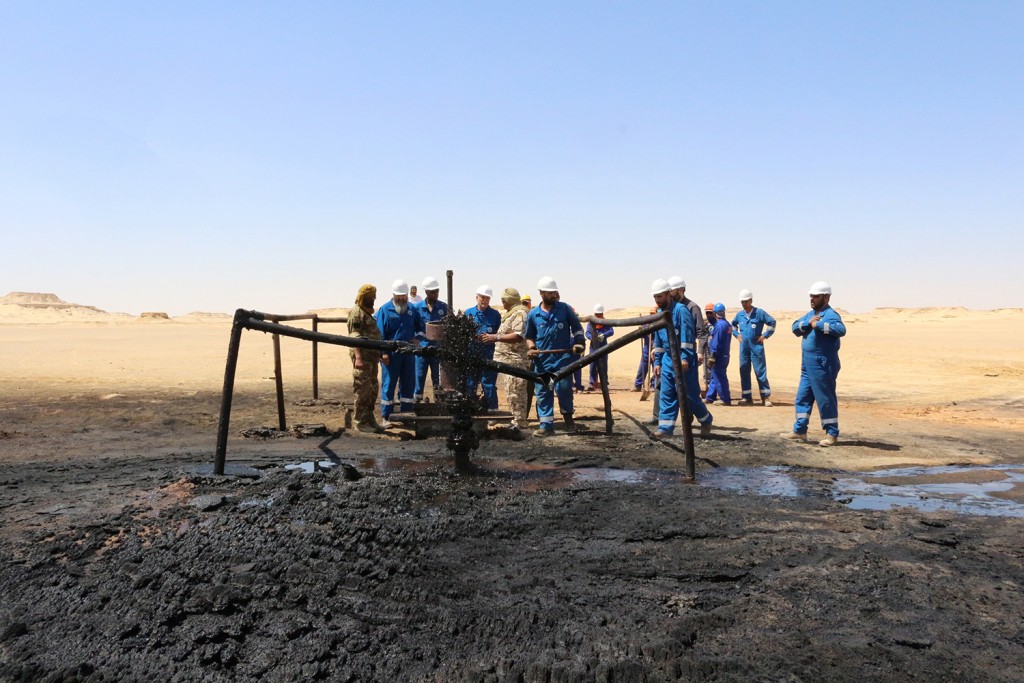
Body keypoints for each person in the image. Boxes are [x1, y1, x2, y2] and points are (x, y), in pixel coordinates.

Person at [781, 281, 847, 447]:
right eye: (811, 296)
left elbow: (841, 330)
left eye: (815, 296)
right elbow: (795, 328)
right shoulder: (810, 315)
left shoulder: (830, 315)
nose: (812, 299)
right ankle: (800, 431)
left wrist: (818, 325)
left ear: (826, 298)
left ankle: (832, 433)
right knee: (802, 397)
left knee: (825, 399)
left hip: (822, 363)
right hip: (807, 364)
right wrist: (807, 323)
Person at [650, 279, 712, 437]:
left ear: (668, 294)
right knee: (667, 394)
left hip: (684, 360)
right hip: (667, 359)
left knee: (688, 396)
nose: (657, 300)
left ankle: (705, 419)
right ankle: (665, 429)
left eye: (660, 296)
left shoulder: (681, 310)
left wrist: (684, 357)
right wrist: (658, 361)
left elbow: (687, 336)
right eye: (655, 297)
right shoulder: (659, 314)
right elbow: (659, 341)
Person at [524, 276, 585, 437]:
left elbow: (577, 329)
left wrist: (579, 342)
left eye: (554, 292)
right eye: (550, 293)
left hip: (563, 360)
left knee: (564, 390)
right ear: (541, 293)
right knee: (544, 392)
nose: (553, 295)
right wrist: (532, 348)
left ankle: (568, 420)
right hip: (542, 362)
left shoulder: (564, 309)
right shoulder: (533, 315)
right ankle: (546, 425)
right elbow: (529, 336)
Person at [376, 279, 424, 427]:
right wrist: (383, 353)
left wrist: (418, 339)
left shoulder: (412, 309)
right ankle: (386, 417)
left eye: (404, 295)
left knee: (408, 385)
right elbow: (380, 334)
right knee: (389, 385)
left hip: (408, 354)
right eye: (399, 295)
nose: (402, 298)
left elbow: (421, 328)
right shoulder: (385, 310)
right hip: (391, 355)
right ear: (393, 294)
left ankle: (406, 415)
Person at [482, 288, 530, 432]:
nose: (502, 303)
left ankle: (520, 423)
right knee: (511, 392)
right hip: (509, 361)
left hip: (516, 361)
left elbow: (518, 335)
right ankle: (516, 420)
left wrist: (495, 337)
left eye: (504, 300)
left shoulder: (520, 313)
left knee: (516, 392)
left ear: (509, 300)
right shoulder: (512, 313)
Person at [347, 284, 384, 433]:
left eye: (374, 296)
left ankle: (369, 419)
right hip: (363, 360)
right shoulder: (357, 313)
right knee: (362, 391)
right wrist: (358, 357)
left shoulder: (367, 313)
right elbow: (354, 337)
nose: (373, 299)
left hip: (372, 360)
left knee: (372, 390)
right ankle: (360, 422)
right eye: (371, 297)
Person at [731, 289, 776, 407]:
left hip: (756, 347)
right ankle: (746, 397)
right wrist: (737, 335)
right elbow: (733, 325)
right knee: (744, 371)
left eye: (746, 301)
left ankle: (765, 397)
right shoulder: (739, 315)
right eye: (742, 302)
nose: (744, 304)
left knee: (760, 371)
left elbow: (772, 322)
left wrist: (765, 335)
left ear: (751, 300)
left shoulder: (759, 313)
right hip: (744, 348)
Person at [668, 276, 708, 395]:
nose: (670, 294)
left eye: (672, 291)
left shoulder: (692, 307)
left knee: (689, 390)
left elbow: (702, 332)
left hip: (688, 355)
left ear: (681, 290)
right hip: (671, 353)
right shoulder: (670, 307)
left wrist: (700, 352)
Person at [465, 285, 502, 409]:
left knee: (488, 383)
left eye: (487, 298)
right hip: (472, 353)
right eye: (482, 297)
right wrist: (473, 337)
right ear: (477, 297)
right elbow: (463, 333)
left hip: (489, 354)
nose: (485, 300)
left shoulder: (495, 315)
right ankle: (469, 408)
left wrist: (491, 337)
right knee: (471, 382)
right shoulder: (468, 313)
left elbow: (500, 334)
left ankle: (492, 410)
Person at [413, 276, 449, 402]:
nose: (436, 294)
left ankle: (439, 402)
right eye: (433, 292)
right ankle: (417, 402)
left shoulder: (444, 308)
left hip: (438, 350)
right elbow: (413, 327)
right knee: (419, 377)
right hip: (422, 350)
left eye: (437, 291)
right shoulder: (417, 308)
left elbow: (449, 327)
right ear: (426, 292)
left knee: (438, 379)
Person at [705, 303, 733, 406]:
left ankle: (725, 398)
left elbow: (716, 342)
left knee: (720, 377)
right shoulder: (727, 324)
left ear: (715, 313)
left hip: (718, 355)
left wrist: (712, 355)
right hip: (724, 354)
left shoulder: (719, 325)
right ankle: (710, 397)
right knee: (714, 376)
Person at [586, 304, 615, 391]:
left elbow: (611, 331)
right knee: (593, 365)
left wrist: (604, 335)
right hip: (593, 347)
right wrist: (592, 337)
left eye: (600, 314)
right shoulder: (591, 323)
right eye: (597, 314)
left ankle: (604, 383)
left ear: (602, 313)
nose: (598, 316)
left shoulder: (606, 322)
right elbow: (587, 333)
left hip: (603, 346)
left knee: (603, 366)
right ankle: (592, 383)